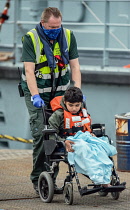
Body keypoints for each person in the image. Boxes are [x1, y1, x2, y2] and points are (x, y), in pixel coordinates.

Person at [21, 7, 81, 194]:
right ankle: (39, 178)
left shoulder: (68, 36)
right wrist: (35, 96)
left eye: (58, 27)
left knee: (64, 131)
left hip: (60, 93)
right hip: (37, 92)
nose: (55, 30)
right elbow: (29, 71)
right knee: (42, 134)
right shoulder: (31, 38)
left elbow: (75, 66)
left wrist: (77, 90)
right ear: (43, 24)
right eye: (51, 27)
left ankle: (51, 178)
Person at [48, 87, 117, 187]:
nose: (74, 108)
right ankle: (101, 181)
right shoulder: (58, 115)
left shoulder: (83, 112)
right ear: (65, 102)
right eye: (71, 105)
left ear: (81, 103)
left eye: (77, 105)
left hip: (84, 139)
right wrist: (64, 141)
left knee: (103, 145)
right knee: (85, 149)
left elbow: (87, 127)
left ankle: (105, 177)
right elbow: (51, 134)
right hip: (67, 143)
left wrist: (91, 133)